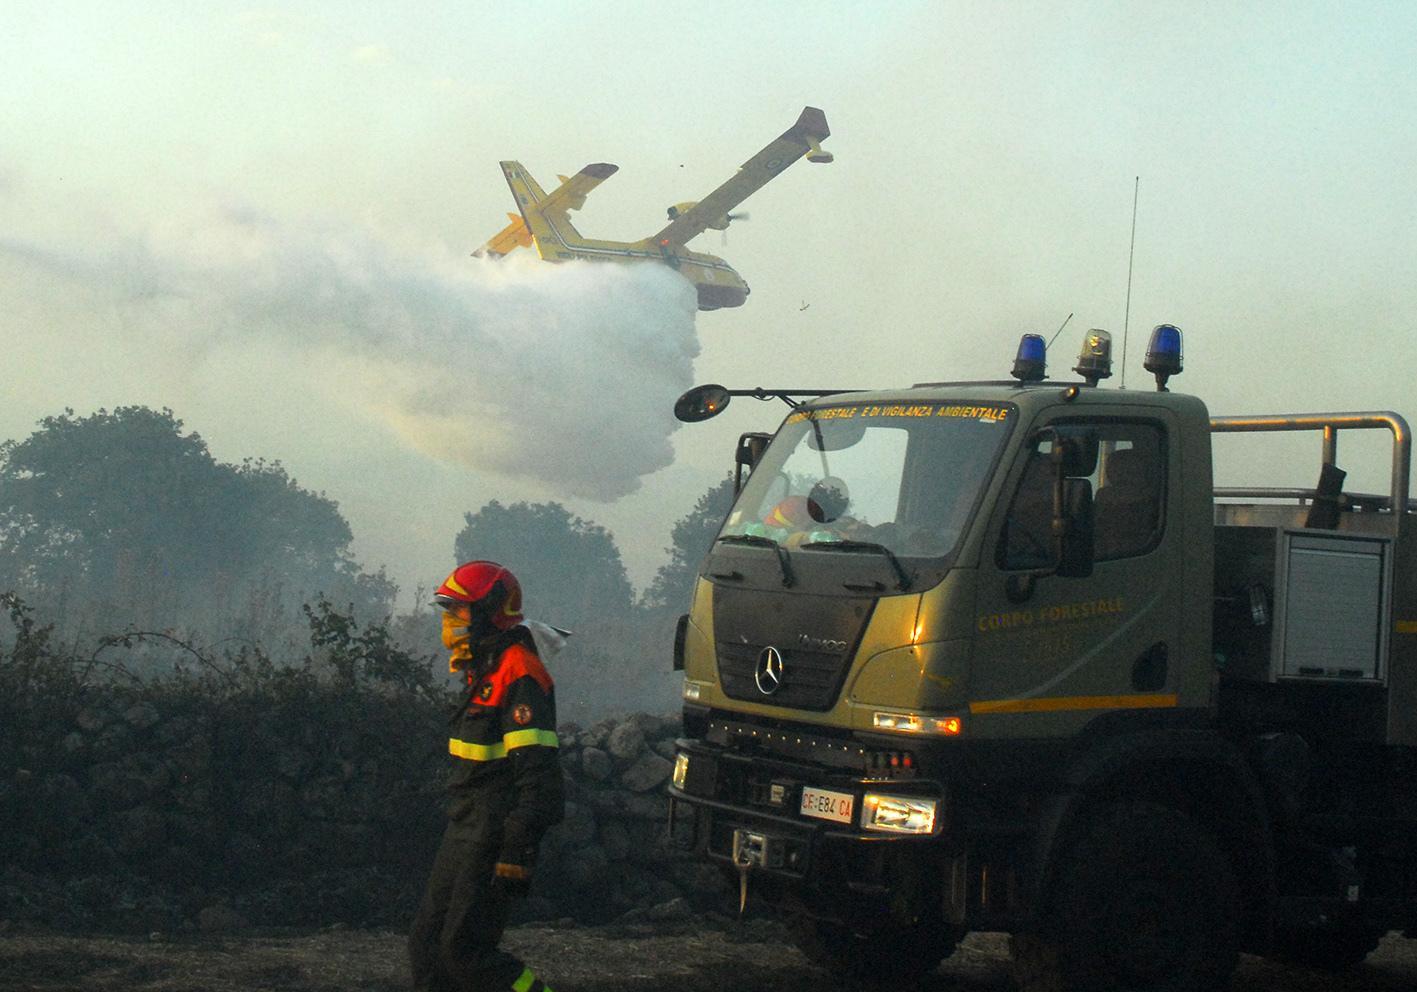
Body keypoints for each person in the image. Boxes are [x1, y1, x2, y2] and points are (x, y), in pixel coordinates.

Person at [409, 560, 564, 992]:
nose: (448, 624)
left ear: (488, 612)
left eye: (456, 613)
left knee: (466, 953)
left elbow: (540, 779)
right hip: (465, 822)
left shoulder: (519, 672)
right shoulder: (485, 668)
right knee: (426, 948)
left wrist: (517, 847)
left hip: (494, 830)